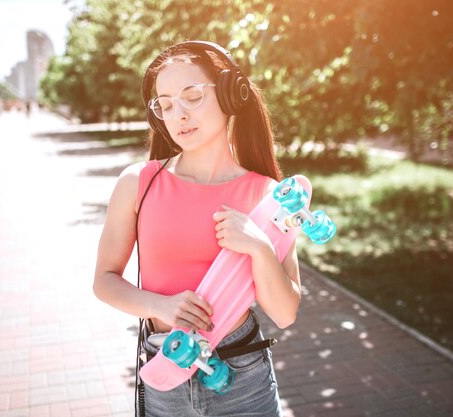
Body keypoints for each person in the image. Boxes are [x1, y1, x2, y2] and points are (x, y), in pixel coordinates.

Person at [93, 41, 302, 417]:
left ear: (228, 95)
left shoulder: (267, 195)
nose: (179, 115)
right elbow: (104, 281)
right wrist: (161, 305)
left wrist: (259, 246)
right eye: (166, 104)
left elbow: (285, 313)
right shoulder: (138, 183)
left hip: (242, 377)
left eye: (192, 96)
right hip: (165, 371)